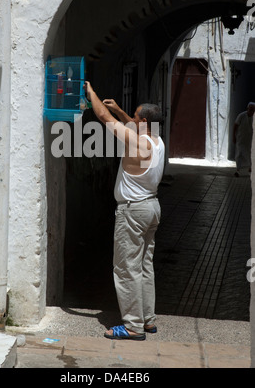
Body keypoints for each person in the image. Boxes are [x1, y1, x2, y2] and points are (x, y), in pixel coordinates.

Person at [84, 81, 165, 341]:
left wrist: (92, 93)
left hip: (133, 212)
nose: (132, 118)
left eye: (135, 116)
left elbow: (102, 116)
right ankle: (148, 320)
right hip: (151, 208)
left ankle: (132, 326)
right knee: (144, 266)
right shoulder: (156, 140)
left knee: (126, 268)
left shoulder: (138, 143)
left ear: (142, 121)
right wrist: (120, 110)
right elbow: (129, 122)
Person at [233, 102, 255, 177]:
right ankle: (238, 170)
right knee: (239, 154)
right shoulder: (241, 116)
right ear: (247, 109)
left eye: (253, 110)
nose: (252, 111)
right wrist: (234, 136)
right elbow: (235, 125)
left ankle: (250, 169)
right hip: (241, 138)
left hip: (251, 139)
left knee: (250, 154)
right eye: (250, 109)